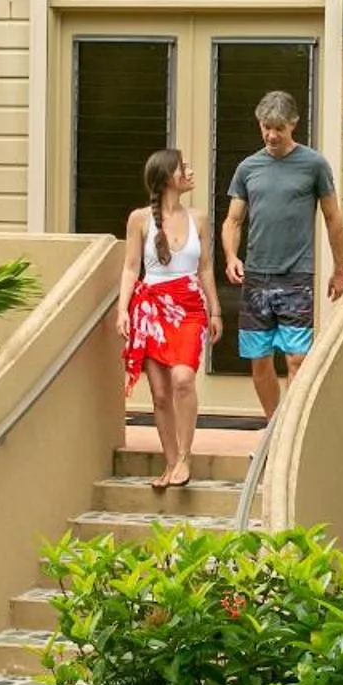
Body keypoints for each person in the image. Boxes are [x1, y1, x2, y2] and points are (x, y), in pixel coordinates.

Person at [222, 88, 343, 417]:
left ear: (293, 124)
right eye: (266, 127)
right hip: (257, 276)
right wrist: (232, 257)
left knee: (297, 358)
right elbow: (233, 220)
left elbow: (333, 218)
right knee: (259, 358)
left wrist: (338, 269)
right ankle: (274, 424)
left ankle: (289, 426)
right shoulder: (248, 168)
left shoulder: (314, 165)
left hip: (296, 275)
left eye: (279, 127)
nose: (272, 134)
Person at [117, 147, 220, 490]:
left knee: (182, 379)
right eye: (183, 167)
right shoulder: (140, 219)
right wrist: (122, 310)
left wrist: (215, 309)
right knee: (160, 393)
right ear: (167, 177)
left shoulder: (200, 219)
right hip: (150, 309)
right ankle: (171, 461)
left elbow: (205, 267)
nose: (189, 171)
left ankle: (186, 457)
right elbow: (132, 267)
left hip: (188, 307)